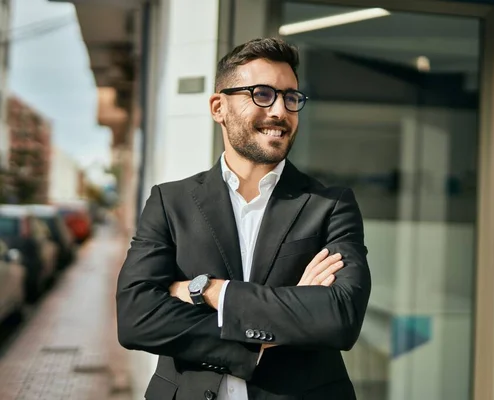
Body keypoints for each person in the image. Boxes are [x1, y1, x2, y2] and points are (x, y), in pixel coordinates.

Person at [116, 37, 371, 400]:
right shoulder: (170, 201)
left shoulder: (330, 205)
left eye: (291, 98)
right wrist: (273, 325)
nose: (280, 111)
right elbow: (136, 318)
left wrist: (209, 290)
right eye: (263, 94)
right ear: (219, 106)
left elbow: (340, 317)